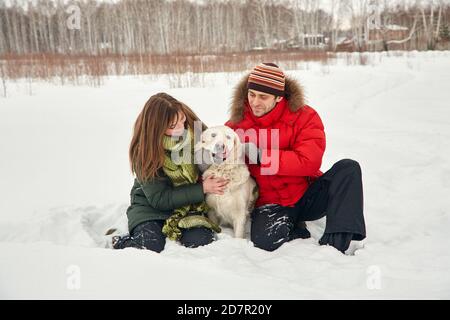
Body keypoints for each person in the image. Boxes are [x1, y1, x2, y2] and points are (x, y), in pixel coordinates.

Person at [225, 63, 366, 254]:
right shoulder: (236, 125)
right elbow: (217, 155)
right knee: (264, 242)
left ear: (278, 97)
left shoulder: (305, 117)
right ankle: (295, 227)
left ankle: (337, 241)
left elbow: (309, 161)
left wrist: (262, 156)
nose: (255, 102)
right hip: (270, 201)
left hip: (307, 195)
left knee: (349, 168)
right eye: (251, 95)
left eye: (263, 97)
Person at [112, 92, 228, 252]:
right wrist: (202, 189)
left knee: (200, 242)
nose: (181, 127)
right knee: (150, 245)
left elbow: (215, 144)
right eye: (173, 126)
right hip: (152, 207)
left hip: (190, 205)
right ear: (157, 129)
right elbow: (159, 199)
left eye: (181, 120)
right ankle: (121, 242)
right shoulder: (145, 150)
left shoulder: (193, 125)